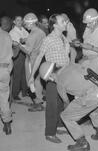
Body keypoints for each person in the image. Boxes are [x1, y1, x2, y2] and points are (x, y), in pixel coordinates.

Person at [39, 61, 98, 151]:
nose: (52, 80)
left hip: (93, 96)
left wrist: (69, 114)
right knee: (91, 109)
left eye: (50, 79)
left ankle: (82, 143)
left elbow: (66, 103)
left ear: (52, 75)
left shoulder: (59, 82)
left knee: (65, 116)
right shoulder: (70, 65)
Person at [29, 14, 70, 143]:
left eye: (65, 21)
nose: (65, 22)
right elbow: (39, 57)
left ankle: (58, 125)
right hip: (52, 74)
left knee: (59, 103)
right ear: (55, 25)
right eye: (62, 21)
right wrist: (31, 76)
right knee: (52, 104)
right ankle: (49, 133)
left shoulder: (64, 38)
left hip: (64, 75)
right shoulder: (49, 39)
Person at [20, 12, 46, 111]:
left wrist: (19, 45)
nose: (26, 27)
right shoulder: (41, 32)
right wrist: (26, 40)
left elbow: (28, 51)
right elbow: (37, 42)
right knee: (38, 81)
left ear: (30, 23)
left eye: (26, 24)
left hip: (31, 60)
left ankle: (37, 102)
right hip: (40, 59)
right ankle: (39, 99)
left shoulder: (32, 34)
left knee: (30, 82)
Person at [76, 8, 98, 77]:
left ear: (95, 21)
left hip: (95, 62)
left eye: (89, 23)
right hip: (85, 60)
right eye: (86, 23)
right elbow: (86, 43)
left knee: (94, 85)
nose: (87, 25)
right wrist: (80, 44)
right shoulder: (88, 29)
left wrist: (92, 48)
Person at [9, 16, 29, 100]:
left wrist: (25, 40)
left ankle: (24, 91)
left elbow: (30, 39)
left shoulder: (24, 30)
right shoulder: (13, 32)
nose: (20, 21)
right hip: (18, 54)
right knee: (17, 74)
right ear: (14, 21)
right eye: (17, 20)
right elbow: (19, 45)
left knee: (24, 73)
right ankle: (15, 93)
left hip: (25, 53)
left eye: (21, 20)